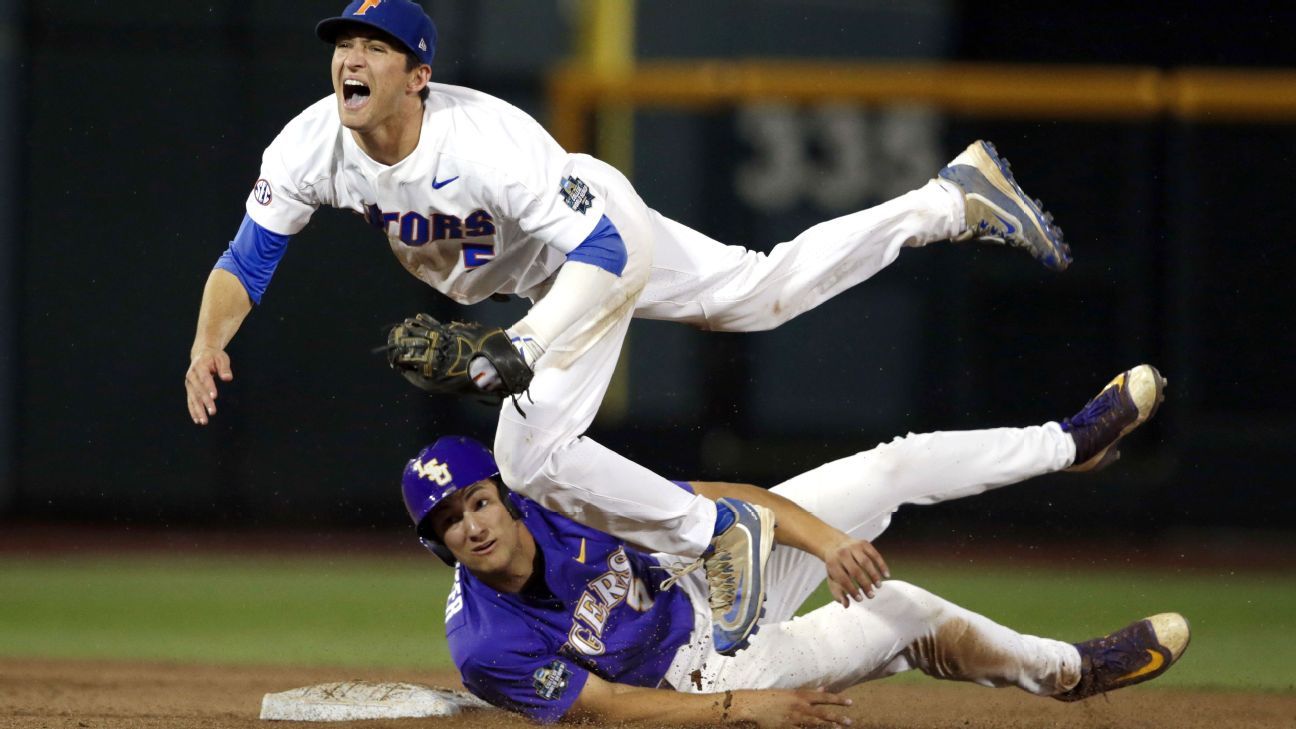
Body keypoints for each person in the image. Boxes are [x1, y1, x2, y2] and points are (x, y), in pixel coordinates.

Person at [184, 0, 1071, 653]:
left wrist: (520, 351)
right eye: (345, 41)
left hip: (592, 243)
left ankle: (712, 534)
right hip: (542, 273)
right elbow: (247, 260)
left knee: (527, 458)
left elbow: (606, 248)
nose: (352, 57)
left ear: (418, 75)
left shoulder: (486, 144)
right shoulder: (309, 146)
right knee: (760, 294)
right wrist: (208, 339)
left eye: (375, 46)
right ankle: (949, 199)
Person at [400, 364, 1188, 726]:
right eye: (449, 523)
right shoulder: (484, 641)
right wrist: (744, 707)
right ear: (440, 546)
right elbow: (603, 709)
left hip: (706, 582)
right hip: (694, 677)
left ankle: (1067, 442)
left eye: (475, 501)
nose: (471, 524)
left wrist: (830, 540)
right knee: (903, 612)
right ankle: (1073, 672)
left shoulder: (556, 498)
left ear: (501, 493)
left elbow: (722, 504)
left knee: (892, 466)